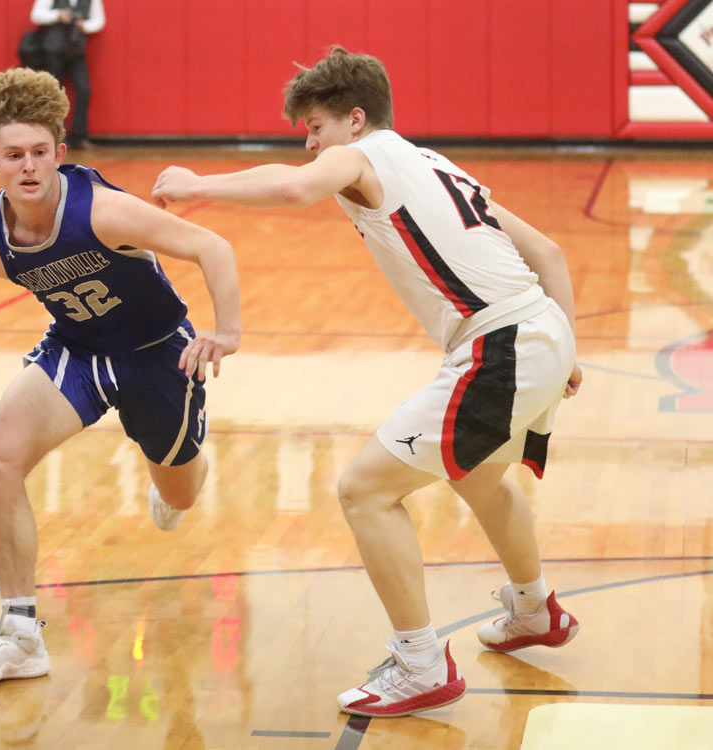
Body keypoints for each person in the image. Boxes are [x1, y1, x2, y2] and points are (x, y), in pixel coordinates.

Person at [152, 47, 583, 718]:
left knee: (363, 490)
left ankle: (419, 662)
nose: (309, 144)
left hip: (499, 344)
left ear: (355, 120)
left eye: (315, 129)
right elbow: (548, 253)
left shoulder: (366, 155)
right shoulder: (434, 162)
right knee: (480, 478)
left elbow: (294, 187)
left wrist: (197, 183)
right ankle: (534, 611)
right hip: (539, 331)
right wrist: (567, 349)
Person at [0, 67, 241, 683]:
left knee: (178, 492)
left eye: (38, 152)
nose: (27, 166)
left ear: (59, 153)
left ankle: (180, 475)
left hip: (158, 352)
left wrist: (229, 331)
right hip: (77, 351)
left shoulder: (105, 211)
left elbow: (212, 246)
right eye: (13, 155)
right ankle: (20, 634)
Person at [27, 0, 105, 150]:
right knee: (51, 94)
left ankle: (79, 136)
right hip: (52, 51)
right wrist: (58, 15)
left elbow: (99, 21)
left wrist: (85, 26)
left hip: (76, 51)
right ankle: (53, 137)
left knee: (84, 90)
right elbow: (36, 15)